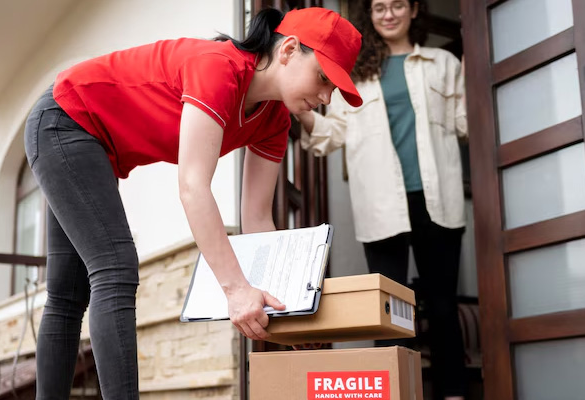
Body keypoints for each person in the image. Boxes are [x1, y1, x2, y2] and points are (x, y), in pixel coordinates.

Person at [23, 7, 363, 400]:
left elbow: (256, 221)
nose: (324, 98)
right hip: (64, 118)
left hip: (92, 144)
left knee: (68, 292)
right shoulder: (218, 68)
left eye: (333, 90)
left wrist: (286, 313)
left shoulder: (274, 120)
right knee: (114, 267)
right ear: (288, 50)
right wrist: (236, 290)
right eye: (323, 78)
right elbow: (193, 186)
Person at [295, 1, 467, 399]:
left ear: (413, 9)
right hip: (380, 203)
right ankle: (394, 393)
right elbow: (331, 133)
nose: (388, 15)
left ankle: (454, 392)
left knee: (442, 305)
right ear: (369, 15)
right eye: (379, 8)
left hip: (437, 200)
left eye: (397, 6)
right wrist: (298, 107)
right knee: (388, 309)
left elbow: (465, 123)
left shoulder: (443, 63)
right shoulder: (354, 73)